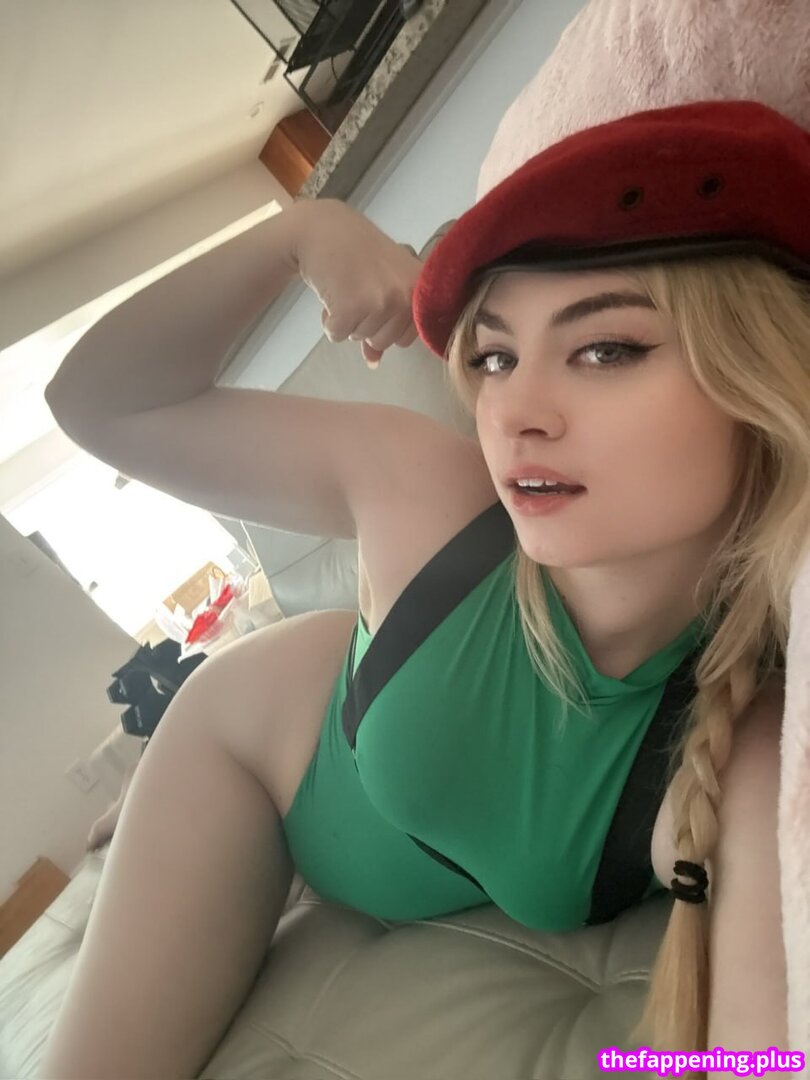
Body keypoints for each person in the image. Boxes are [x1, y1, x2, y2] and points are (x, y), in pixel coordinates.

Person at [39, 99, 810, 1078]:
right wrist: (299, 232)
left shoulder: (747, 736)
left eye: (604, 349)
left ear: (760, 370)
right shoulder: (426, 491)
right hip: (253, 752)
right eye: (494, 357)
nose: (514, 411)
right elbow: (98, 404)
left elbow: (757, 1061)